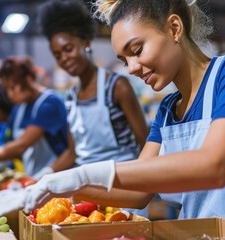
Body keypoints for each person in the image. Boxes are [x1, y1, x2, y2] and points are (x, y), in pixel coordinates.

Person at [0, 0, 225, 225]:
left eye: (137, 50)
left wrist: (82, 175)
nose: (131, 68)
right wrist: (61, 187)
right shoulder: (167, 111)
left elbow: (213, 166)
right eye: (124, 60)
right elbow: (138, 194)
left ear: (174, 28)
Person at [37, 0, 148, 173]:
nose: (64, 58)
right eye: (57, 55)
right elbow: (73, 154)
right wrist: (44, 175)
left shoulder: (117, 86)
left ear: (86, 43)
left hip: (122, 183)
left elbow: (145, 141)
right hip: (87, 186)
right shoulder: (71, 97)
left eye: (68, 49)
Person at [0, 56, 73, 182]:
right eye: (6, 89)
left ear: (29, 79)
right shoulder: (20, 108)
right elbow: (11, 145)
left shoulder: (50, 104)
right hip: (34, 178)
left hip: (56, 177)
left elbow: (22, 145)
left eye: (13, 87)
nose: (10, 95)